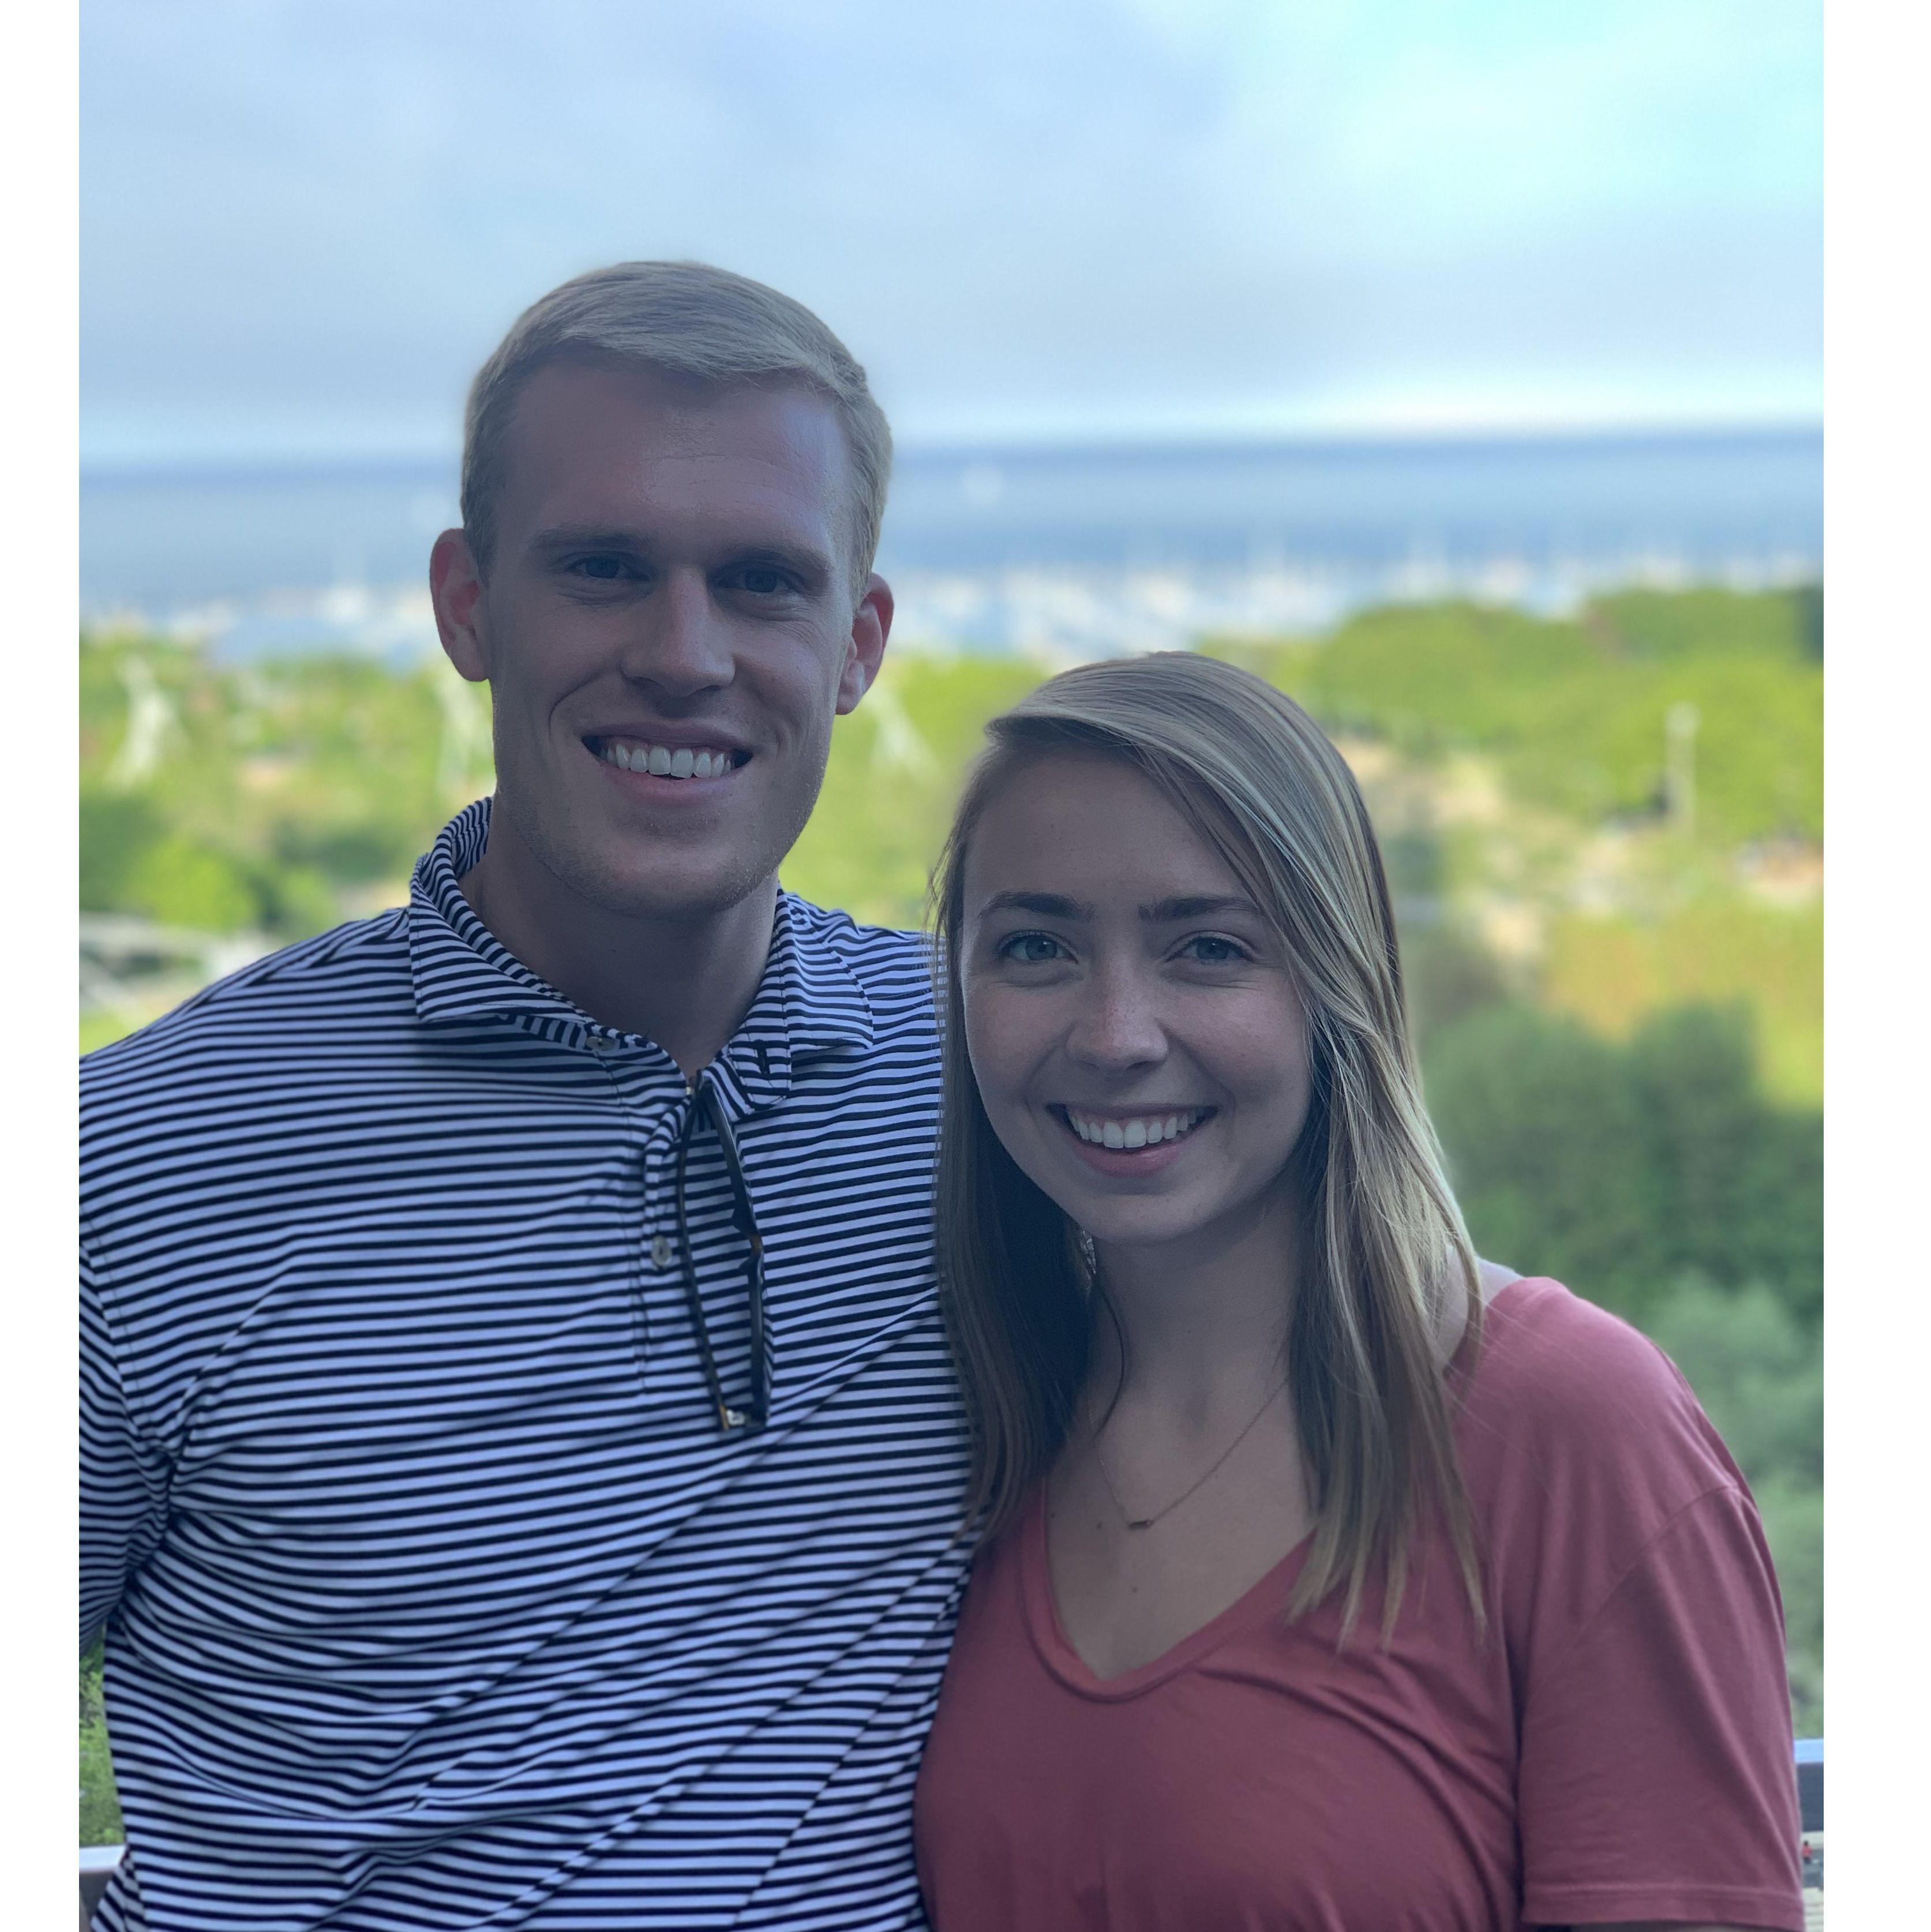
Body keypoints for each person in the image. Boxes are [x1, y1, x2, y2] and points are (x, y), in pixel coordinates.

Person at [79, 262, 971, 1931]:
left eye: (762, 582)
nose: (683, 653)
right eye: (604, 568)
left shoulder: (984, 1083)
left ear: (856, 644)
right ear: (468, 603)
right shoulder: (126, 1172)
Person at [913, 654, 1805, 1931]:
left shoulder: (1572, 1430)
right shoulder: (973, 1420)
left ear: (1340, 988)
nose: (1114, 1033)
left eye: (1208, 948)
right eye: (1036, 944)